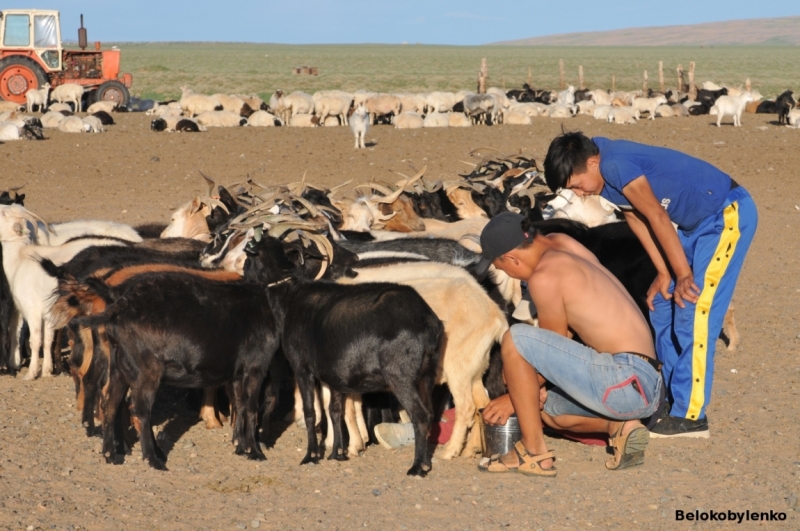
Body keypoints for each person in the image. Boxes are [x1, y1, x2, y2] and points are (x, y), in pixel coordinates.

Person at [542, 132, 757, 438]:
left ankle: (692, 416)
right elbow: (637, 220)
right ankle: (667, 403)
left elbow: (656, 215)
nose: (580, 194)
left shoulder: (614, 165)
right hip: (694, 227)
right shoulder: (604, 176)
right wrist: (664, 274)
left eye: (577, 185)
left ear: (592, 162)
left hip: (725, 215)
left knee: (693, 313)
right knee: (662, 305)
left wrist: (682, 273)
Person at [478, 212, 663, 475]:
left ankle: (533, 453)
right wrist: (529, 394)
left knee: (516, 338)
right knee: (547, 409)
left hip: (622, 379)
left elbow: (552, 347)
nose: (506, 272)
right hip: (649, 389)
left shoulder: (545, 276)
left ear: (512, 258)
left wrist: (513, 397)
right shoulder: (563, 242)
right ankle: (620, 427)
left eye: (501, 267)